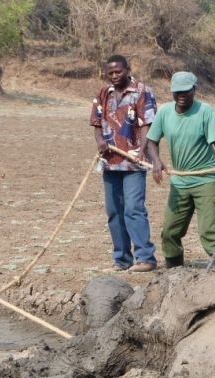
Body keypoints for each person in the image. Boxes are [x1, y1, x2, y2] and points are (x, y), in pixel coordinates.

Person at [144, 71, 215, 276]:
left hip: (206, 181)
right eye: (177, 92)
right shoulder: (165, 112)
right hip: (179, 182)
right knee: (170, 232)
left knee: (210, 233)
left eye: (186, 91)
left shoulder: (205, 111)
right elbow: (152, 140)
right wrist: (156, 161)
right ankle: (174, 277)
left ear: (194, 90)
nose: (182, 95)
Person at [90, 54, 157, 273]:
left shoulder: (142, 92)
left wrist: (143, 150)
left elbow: (148, 125)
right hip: (110, 162)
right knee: (114, 211)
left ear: (127, 69)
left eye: (118, 71)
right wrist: (101, 142)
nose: (114, 76)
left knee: (134, 208)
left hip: (134, 163)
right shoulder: (103, 94)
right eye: (110, 73)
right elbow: (97, 124)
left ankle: (145, 258)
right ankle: (121, 259)